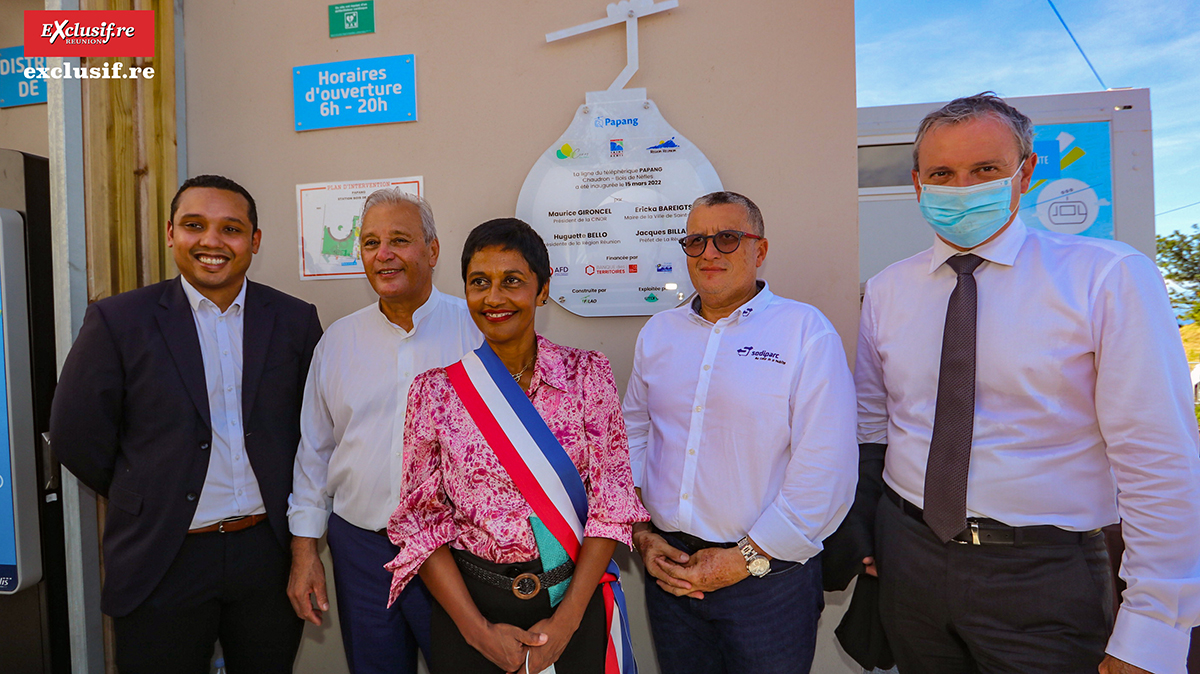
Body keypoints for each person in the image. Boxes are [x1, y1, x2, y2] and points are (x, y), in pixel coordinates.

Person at [850, 92, 1200, 674]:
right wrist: (868, 530)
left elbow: (1157, 456)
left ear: (1027, 172)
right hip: (909, 561)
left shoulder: (1106, 278)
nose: (962, 187)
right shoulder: (888, 290)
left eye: (985, 169)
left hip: (1045, 578)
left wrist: (1153, 627)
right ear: (918, 183)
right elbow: (872, 423)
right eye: (942, 173)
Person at [49, 174, 323, 673]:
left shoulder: (294, 320)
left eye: (231, 229)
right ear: (171, 233)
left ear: (255, 241)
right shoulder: (119, 321)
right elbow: (73, 433)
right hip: (162, 557)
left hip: (266, 555)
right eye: (195, 225)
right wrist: (143, 490)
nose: (212, 241)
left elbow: (314, 436)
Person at [384, 218, 648, 674]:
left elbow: (612, 506)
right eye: (479, 283)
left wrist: (565, 624)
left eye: (512, 281)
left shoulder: (587, 375)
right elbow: (422, 525)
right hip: (472, 610)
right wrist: (477, 632)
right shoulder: (435, 392)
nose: (494, 298)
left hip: (575, 601)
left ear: (542, 289)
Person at [622, 191, 858, 674]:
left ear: (760, 250)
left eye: (727, 239)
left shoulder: (804, 332)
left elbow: (826, 471)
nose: (709, 252)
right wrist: (643, 534)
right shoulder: (658, 333)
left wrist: (745, 559)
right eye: (696, 241)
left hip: (767, 579)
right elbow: (633, 433)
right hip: (671, 572)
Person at [287, 188, 481, 674]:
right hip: (363, 551)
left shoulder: (477, 330)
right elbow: (315, 454)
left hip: (460, 551)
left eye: (400, 239)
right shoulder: (338, 341)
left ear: (433, 251)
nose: (384, 254)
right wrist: (305, 551)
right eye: (371, 243)